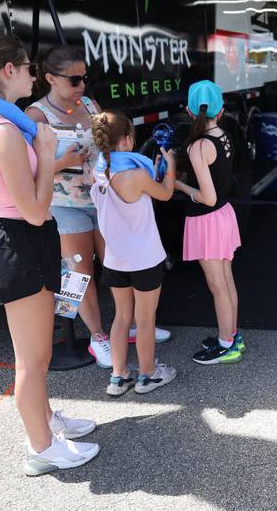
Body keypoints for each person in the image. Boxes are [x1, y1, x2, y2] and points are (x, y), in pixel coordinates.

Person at [0, 31, 98, 476]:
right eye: (27, 66)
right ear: (8, 71)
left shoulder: (0, 121)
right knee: (32, 360)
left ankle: (48, 421)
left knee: (36, 355)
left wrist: (44, 155)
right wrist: (45, 150)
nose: (34, 75)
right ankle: (41, 448)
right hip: (20, 241)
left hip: (23, 241)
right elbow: (35, 211)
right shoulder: (2, 131)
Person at [26, 46, 171, 370]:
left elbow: (108, 143)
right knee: (81, 271)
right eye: (75, 79)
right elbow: (27, 170)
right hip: (66, 204)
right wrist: (63, 162)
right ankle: (98, 336)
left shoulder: (89, 104)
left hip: (104, 200)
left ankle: (133, 324)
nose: (82, 86)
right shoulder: (36, 116)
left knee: (118, 262)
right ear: (50, 78)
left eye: (85, 78)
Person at [90, 110, 177, 396]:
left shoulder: (98, 170)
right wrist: (171, 165)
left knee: (121, 317)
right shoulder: (137, 174)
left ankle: (119, 376)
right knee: (145, 319)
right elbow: (165, 193)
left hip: (115, 258)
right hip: (145, 257)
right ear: (127, 140)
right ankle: (148, 375)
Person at [174, 81, 244, 365]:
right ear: (221, 110)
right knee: (226, 280)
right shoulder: (222, 135)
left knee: (217, 285)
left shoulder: (198, 146)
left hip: (207, 219)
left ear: (189, 111)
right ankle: (231, 335)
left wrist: (179, 185)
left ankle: (227, 344)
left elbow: (206, 197)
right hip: (223, 216)